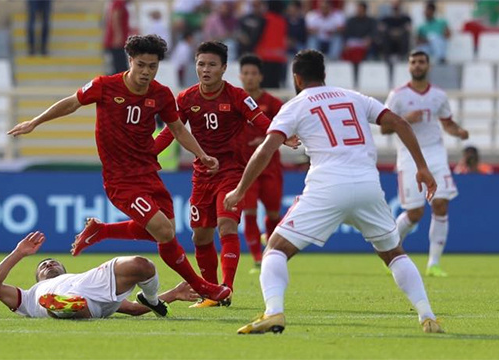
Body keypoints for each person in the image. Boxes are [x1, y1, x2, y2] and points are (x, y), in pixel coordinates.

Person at [224, 49, 443, 335]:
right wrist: (422, 167)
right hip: (367, 185)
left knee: (275, 249)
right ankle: (428, 316)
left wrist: (240, 189)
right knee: (394, 254)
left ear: (297, 78)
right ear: (324, 75)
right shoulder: (353, 97)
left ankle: (274, 311)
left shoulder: (294, 105)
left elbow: (267, 149)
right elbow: (400, 123)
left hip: (327, 186)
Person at [8, 34, 231, 303]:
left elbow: (178, 129)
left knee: (166, 229)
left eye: (152, 66)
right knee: (164, 231)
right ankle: (203, 286)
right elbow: (72, 102)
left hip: (148, 173)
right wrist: (36, 121)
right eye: (141, 65)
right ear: (130, 61)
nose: (146, 72)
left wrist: (202, 155)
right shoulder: (105, 86)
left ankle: (101, 231)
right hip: (120, 180)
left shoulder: (161, 94)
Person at [152, 41, 295, 308]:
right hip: (201, 175)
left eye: (212, 65)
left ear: (224, 68)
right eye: (201, 64)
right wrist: (149, 153)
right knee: (200, 237)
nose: (205, 70)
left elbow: (261, 120)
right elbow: (171, 130)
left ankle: (226, 288)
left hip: (231, 171)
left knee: (226, 225)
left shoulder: (237, 96)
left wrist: (282, 137)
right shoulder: (185, 98)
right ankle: (210, 294)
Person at [384, 50, 469, 277]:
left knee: (441, 204)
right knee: (415, 213)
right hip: (409, 155)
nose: (417, 65)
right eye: (413, 62)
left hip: (435, 153)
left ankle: (434, 263)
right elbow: (383, 127)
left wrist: (458, 131)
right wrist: (405, 120)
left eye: (421, 62)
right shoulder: (398, 95)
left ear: (428, 66)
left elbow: (447, 123)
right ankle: (390, 248)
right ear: (409, 66)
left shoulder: (439, 95)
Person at [0, 231, 200, 319]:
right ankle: (67, 308)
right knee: (62, 303)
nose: (48, 263)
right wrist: (18, 253)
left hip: (90, 284)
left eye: (53, 262)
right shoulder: (29, 296)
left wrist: (174, 293)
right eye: (42, 266)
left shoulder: (75, 277)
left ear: (64, 270)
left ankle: (69, 307)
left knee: (142, 265)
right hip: (59, 301)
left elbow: (134, 309)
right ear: (38, 279)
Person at [238, 54, 284, 272]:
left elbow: (285, 129)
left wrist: (267, 140)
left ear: (260, 76)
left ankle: (271, 250)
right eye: (245, 73)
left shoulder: (273, 103)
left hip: (270, 166)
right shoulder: (235, 102)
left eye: (253, 73)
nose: (249, 78)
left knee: (274, 213)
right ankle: (258, 256)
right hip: (245, 167)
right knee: (249, 211)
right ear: (240, 76)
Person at [104, 0, 131, 74]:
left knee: (119, 67)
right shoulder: (119, 2)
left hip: (119, 40)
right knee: (120, 67)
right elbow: (115, 18)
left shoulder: (121, 3)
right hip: (116, 41)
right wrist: (118, 35)